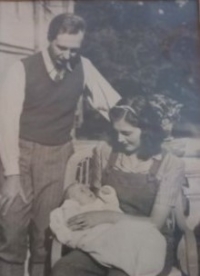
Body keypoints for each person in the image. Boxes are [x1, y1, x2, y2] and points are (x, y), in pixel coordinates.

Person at [0, 13, 120, 276]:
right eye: (61, 47)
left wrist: (146, 127)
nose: (67, 55)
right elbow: (6, 124)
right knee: (11, 232)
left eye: (73, 49)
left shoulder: (84, 67)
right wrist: (11, 175)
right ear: (49, 40)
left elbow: (112, 105)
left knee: (46, 236)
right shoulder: (21, 69)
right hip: (18, 155)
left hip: (57, 156)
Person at [51, 95, 185, 276]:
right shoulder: (106, 152)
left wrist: (106, 216)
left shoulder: (169, 164)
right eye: (116, 132)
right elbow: (97, 202)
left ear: (147, 130)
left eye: (127, 133)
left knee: (120, 273)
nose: (119, 139)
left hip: (150, 242)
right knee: (63, 270)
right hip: (108, 237)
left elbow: (155, 223)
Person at [50, 183, 166, 276]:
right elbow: (66, 223)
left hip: (123, 238)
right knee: (63, 269)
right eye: (81, 191)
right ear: (72, 200)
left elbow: (113, 206)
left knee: (123, 266)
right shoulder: (77, 209)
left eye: (86, 188)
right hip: (98, 245)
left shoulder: (100, 204)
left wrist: (107, 195)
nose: (87, 190)